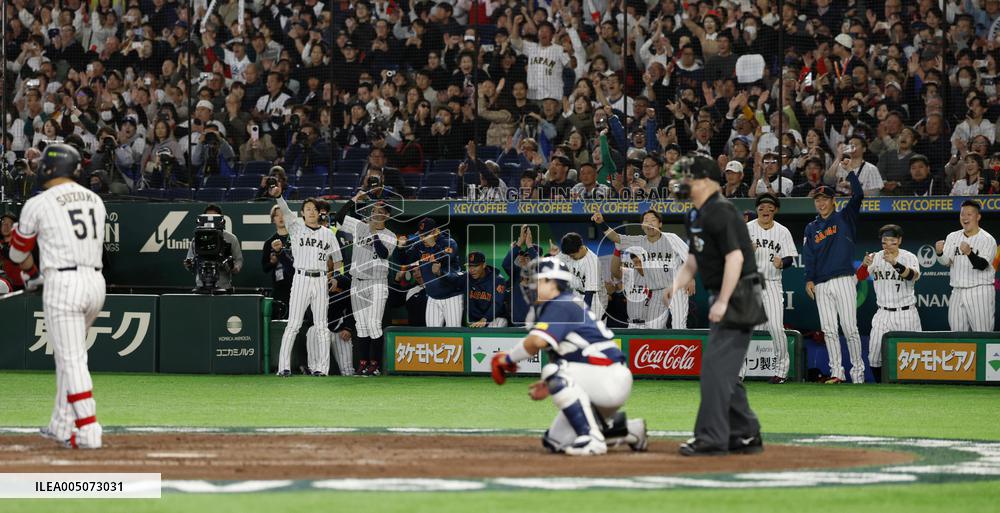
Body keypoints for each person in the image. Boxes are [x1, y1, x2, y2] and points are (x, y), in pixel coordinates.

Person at [490, 257, 646, 456]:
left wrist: (508, 359)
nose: (530, 286)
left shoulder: (561, 303)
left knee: (552, 370)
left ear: (551, 282)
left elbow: (537, 342)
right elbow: (570, 353)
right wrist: (551, 384)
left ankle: (592, 439)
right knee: (555, 442)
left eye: (536, 281)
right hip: (599, 377)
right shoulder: (562, 304)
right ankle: (632, 431)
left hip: (609, 377)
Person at [663, 154, 762, 456]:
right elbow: (693, 259)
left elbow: (736, 258)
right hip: (724, 295)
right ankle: (746, 434)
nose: (680, 182)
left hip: (739, 295)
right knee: (723, 371)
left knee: (715, 372)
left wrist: (722, 300)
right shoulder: (694, 214)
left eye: (686, 176)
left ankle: (712, 437)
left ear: (704, 180)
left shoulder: (722, 211)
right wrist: (677, 283)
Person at [9, 144, 107, 449]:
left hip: (63, 283)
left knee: (72, 358)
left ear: (51, 168)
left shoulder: (38, 203)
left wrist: (31, 272)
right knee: (69, 357)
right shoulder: (95, 199)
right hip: (95, 281)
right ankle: (61, 424)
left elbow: (16, 253)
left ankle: (89, 429)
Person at [268, 183, 343, 377]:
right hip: (301, 278)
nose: (311, 212)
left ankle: (322, 369)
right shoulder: (296, 226)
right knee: (293, 324)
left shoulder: (328, 234)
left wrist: (334, 276)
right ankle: (284, 367)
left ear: (320, 213)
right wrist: (278, 196)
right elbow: (284, 209)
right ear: (302, 213)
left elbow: (338, 259)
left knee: (321, 325)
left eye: (314, 209)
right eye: (307, 209)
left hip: (320, 280)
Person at [803, 174, 866, 384]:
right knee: (829, 330)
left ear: (833, 201)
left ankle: (858, 374)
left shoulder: (844, 217)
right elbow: (809, 255)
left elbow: (859, 195)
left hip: (843, 279)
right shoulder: (811, 228)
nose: (821, 203)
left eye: (825, 199)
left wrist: (850, 174)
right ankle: (837, 373)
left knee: (849, 328)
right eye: (817, 199)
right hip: (821, 283)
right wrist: (809, 279)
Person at [333, 192, 398, 376]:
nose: (377, 214)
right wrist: (353, 200)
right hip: (357, 282)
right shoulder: (360, 226)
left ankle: (375, 365)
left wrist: (373, 232)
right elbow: (338, 218)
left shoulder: (390, 235)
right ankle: (363, 364)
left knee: (374, 324)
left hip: (377, 283)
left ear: (387, 215)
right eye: (375, 210)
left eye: (381, 211)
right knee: (361, 325)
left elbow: (384, 253)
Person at [593, 210, 692, 328]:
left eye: (653, 220)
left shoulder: (672, 238)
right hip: (656, 292)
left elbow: (690, 257)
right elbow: (616, 238)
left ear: (660, 224)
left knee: (678, 327)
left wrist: (690, 279)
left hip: (676, 289)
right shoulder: (639, 241)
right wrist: (602, 223)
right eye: (646, 221)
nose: (649, 223)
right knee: (652, 328)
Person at [742, 194, 798, 384]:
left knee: (775, 327)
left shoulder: (782, 231)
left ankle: (781, 371)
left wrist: (783, 262)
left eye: (770, 207)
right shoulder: (747, 229)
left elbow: (790, 257)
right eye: (762, 207)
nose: (765, 210)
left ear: (776, 210)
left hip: (773, 283)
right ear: (757, 210)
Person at [855, 225, 921, 383]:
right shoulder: (875, 257)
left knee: (911, 354)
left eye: (892, 241)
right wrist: (864, 265)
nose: (888, 245)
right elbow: (861, 277)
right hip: (883, 313)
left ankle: (910, 386)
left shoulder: (909, 257)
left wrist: (895, 263)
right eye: (885, 242)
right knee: (874, 356)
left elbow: (913, 276)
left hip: (906, 313)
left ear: (899, 240)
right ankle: (882, 385)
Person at [935, 201, 997, 331]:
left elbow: (982, 265)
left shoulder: (987, 239)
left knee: (982, 332)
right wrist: (939, 253)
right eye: (962, 214)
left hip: (980, 290)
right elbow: (946, 262)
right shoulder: (952, 236)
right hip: (957, 290)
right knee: (956, 333)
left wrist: (969, 253)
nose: (965, 217)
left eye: (969, 214)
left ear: (978, 217)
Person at [404, 218, 464, 327]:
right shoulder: (419, 246)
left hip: (451, 296)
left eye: (426, 235)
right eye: (421, 235)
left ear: (435, 231)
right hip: (432, 295)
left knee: (453, 335)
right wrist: (400, 249)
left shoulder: (449, 242)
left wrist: (434, 246)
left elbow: (445, 259)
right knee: (431, 334)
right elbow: (406, 260)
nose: (423, 238)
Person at [183, 205, 243, 292]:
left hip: (223, 286)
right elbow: (191, 259)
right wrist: (189, 264)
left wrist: (235, 268)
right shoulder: (197, 238)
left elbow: (238, 259)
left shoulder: (231, 238)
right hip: (201, 285)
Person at [550, 233, 605, 322]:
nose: (571, 257)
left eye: (573, 255)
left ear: (580, 248)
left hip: (594, 299)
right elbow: (552, 264)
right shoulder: (570, 252)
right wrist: (553, 255)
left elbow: (589, 294)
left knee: (589, 325)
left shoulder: (592, 262)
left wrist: (584, 315)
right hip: (577, 293)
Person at [503, 225, 541, 326]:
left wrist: (529, 245)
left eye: (529, 257)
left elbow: (539, 266)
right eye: (525, 256)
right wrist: (519, 243)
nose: (526, 259)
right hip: (518, 322)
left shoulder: (543, 276)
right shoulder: (517, 272)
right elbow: (506, 264)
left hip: (537, 324)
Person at [262, 205, 293, 320]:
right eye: (276, 215)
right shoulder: (269, 242)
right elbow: (265, 268)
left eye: (283, 214)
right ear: (273, 219)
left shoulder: (296, 238)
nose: (280, 218)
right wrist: (272, 263)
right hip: (279, 289)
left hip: (297, 286)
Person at [465, 251, 508, 327]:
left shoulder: (498, 280)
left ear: (484, 265)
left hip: (496, 318)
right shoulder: (466, 278)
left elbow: (497, 303)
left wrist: (485, 319)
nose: (471, 270)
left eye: (475, 266)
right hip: (476, 320)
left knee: (498, 324)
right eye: (469, 266)